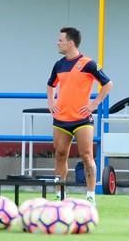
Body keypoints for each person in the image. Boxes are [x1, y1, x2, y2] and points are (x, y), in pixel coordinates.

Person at [47, 27, 113, 204]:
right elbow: (50, 84)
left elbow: (108, 84)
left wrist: (94, 104)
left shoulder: (88, 63)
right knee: (60, 155)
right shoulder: (59, 65)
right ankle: (60, 194)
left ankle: (90, 195)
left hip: (82, 119)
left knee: (86, 155)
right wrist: (51, 102)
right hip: (61, 120)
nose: (57, 42)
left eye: (60, 40)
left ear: (70, 43)